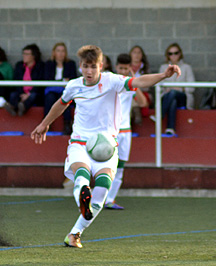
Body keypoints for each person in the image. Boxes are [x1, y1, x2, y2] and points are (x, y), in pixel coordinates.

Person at [30, 45, 181, 248]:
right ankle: (82, 202)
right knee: (82, 176)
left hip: (107, 147)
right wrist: (44, 123)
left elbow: (139, 81)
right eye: (85, 66)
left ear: (101, 65)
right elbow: (61, 103)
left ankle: (74, 234)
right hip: (80, 143)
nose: (89, 71)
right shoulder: (74, 85)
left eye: (93, 66)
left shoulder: (112, 81)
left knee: (101, 193)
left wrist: (163, 75)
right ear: (81, 66)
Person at [105, 53, 148, 210]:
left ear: (130, 68)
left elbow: (143, 103)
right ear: (116, 67)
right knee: (105, 164)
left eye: (126, 68)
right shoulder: (110, 82)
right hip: (110, 131)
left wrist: (135, 81)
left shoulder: (131, 84)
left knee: (120, 166)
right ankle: (96, 197)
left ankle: (110, 199)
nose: (123, 71)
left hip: (126, 131)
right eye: (120, 68)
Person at [154, 43, 195, 135]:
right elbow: (159, 85)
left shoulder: (186, 67)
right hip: (167, 96)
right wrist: (167, 89)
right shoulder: (163, 67)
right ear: (167, 55)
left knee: (173, 93)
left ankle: (159, 115)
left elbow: (191, 87)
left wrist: (180, 88)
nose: (173, 56)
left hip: (183, 97)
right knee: (173, 101)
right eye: (170, 53)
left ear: (180, 54)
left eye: (176, 53)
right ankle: (170, 129)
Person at [44, 42, 78, 135]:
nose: (60, 53)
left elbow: (73, 78)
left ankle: (67, 124)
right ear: (54, 52)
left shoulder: (71, 64)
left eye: (63, 51)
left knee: (64, 98)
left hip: (64, 90)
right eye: (58, 51)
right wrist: (62, 80)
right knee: (49, 98)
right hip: (52, 89)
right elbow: (47, 78)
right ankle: (47, 124)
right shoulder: (49, 63)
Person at [4, 44, 45, 116]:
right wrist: (22, 94)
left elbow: (40, 83)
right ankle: (14, 108)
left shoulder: (40, 66)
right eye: (23, 53)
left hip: (34, 93)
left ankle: (22, 107)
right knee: (13, 95)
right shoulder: (19, 65)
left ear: (33, 56)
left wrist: (28, 94)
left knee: (33, 96)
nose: (24, 56)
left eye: (26, 54)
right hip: (21, 92)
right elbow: (16, 81)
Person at [129, 45, 152, 125]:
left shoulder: (145, 69)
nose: (136, 55)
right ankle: (136, 114)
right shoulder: (126, 68)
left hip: (142, 94)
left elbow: (147, 85)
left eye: (139, 53)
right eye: (134, 52)